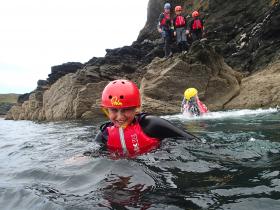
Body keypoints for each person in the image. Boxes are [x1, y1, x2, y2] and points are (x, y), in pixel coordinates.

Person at [94, 79, 198, 157]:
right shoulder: (104, 134)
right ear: (107, 110)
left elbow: (192, 140)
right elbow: (93, 153)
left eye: (126, 110)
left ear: (136, 108)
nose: (120, 117)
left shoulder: (151, 124)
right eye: (114, 110)